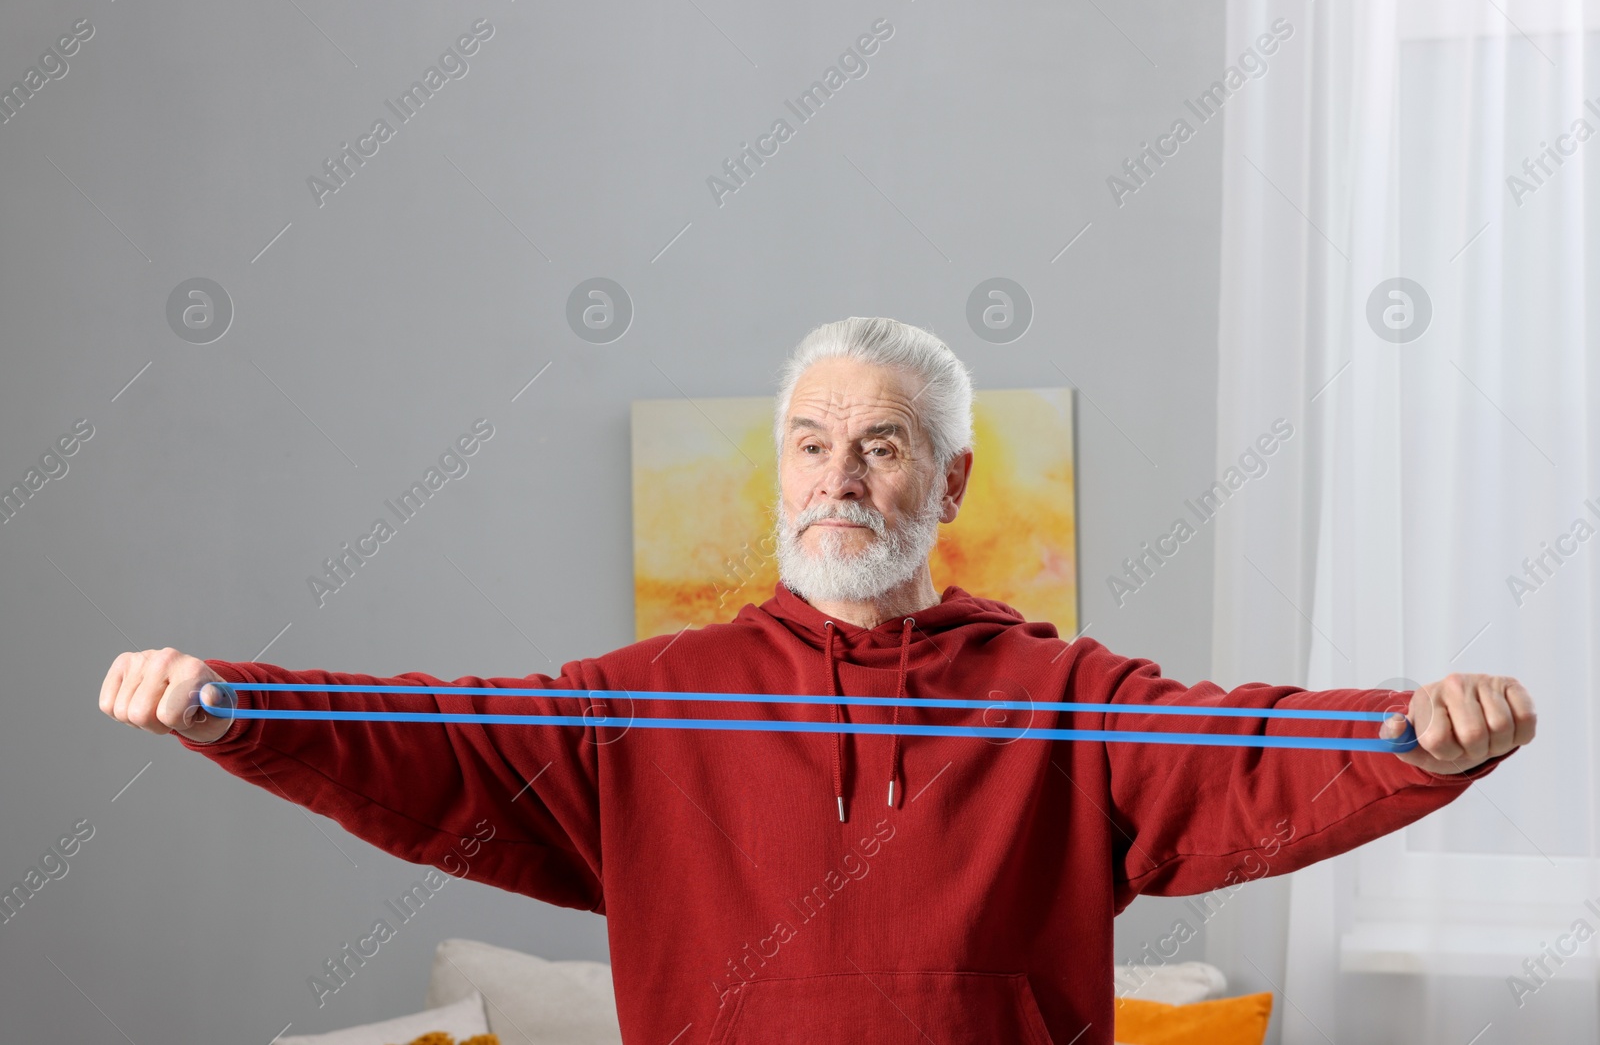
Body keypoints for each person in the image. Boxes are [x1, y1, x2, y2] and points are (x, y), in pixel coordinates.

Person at [99, 317, 1536, 1045]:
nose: (838, 475)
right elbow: (435, 745)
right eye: (808, 441)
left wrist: (1415, 742)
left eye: (884, 443)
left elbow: (1247, 756)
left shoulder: (1064, 694)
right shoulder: (650, 697)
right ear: (776, 469)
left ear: (952, 478)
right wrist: (236, 706)